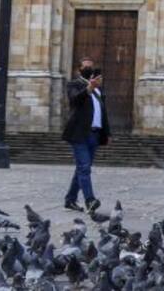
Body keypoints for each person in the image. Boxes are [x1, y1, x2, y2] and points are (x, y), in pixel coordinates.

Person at [62, 57, 111, 212]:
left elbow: (103, 113)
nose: (89, 69)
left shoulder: (98, 90)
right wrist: (89, 88)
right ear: (79, 69)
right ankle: (90, 200)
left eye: (91, 67)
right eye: (86, 67)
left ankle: (70, 199)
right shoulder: (74, 84)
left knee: (82, 168)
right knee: (84, 167)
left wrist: (107, 133)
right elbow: (75, 100)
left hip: (94, 134)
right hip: (79, 134)